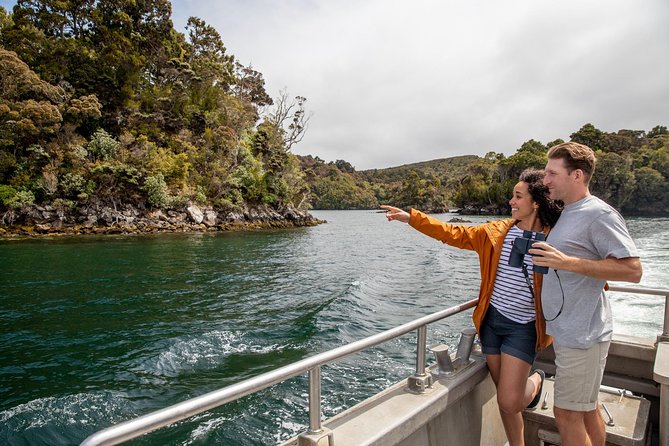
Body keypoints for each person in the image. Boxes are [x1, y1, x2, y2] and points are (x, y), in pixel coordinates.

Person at [382, 168, 562, 446]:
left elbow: (575, 278)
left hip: (524, 328)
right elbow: (452, 232)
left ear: (536, 202)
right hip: (491, 324)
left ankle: (536, 380)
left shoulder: (555, 238)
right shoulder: (494, 233)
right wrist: (411, 219)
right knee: (506, 403)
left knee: (509, 398)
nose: (511, 202)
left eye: (517, 196)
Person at [529, 142, 642, 446]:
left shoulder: (599, 214)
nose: (546, 180)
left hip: (583, 336)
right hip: (572, 333)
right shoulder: (568, 212)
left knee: (566, 414)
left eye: (552, 173)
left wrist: (565, 263)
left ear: (577, 175)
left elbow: (633, 270)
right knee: (587, 409)